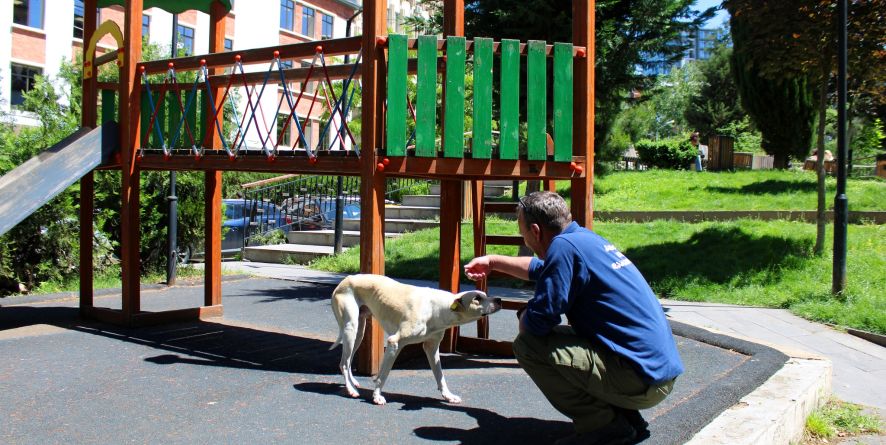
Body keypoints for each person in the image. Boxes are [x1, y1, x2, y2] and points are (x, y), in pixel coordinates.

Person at [464, 191, 683, 445]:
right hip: (655, 372)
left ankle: (604, 426)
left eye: (522, 232)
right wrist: (492, 262)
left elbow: (538, 322)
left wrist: (524, 316)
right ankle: (625, 418)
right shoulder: (582, 240)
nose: (524, 237)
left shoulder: (563, 248)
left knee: (529, 346)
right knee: (569, 338)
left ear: (535, 231)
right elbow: (540, 269)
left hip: (639, 380)